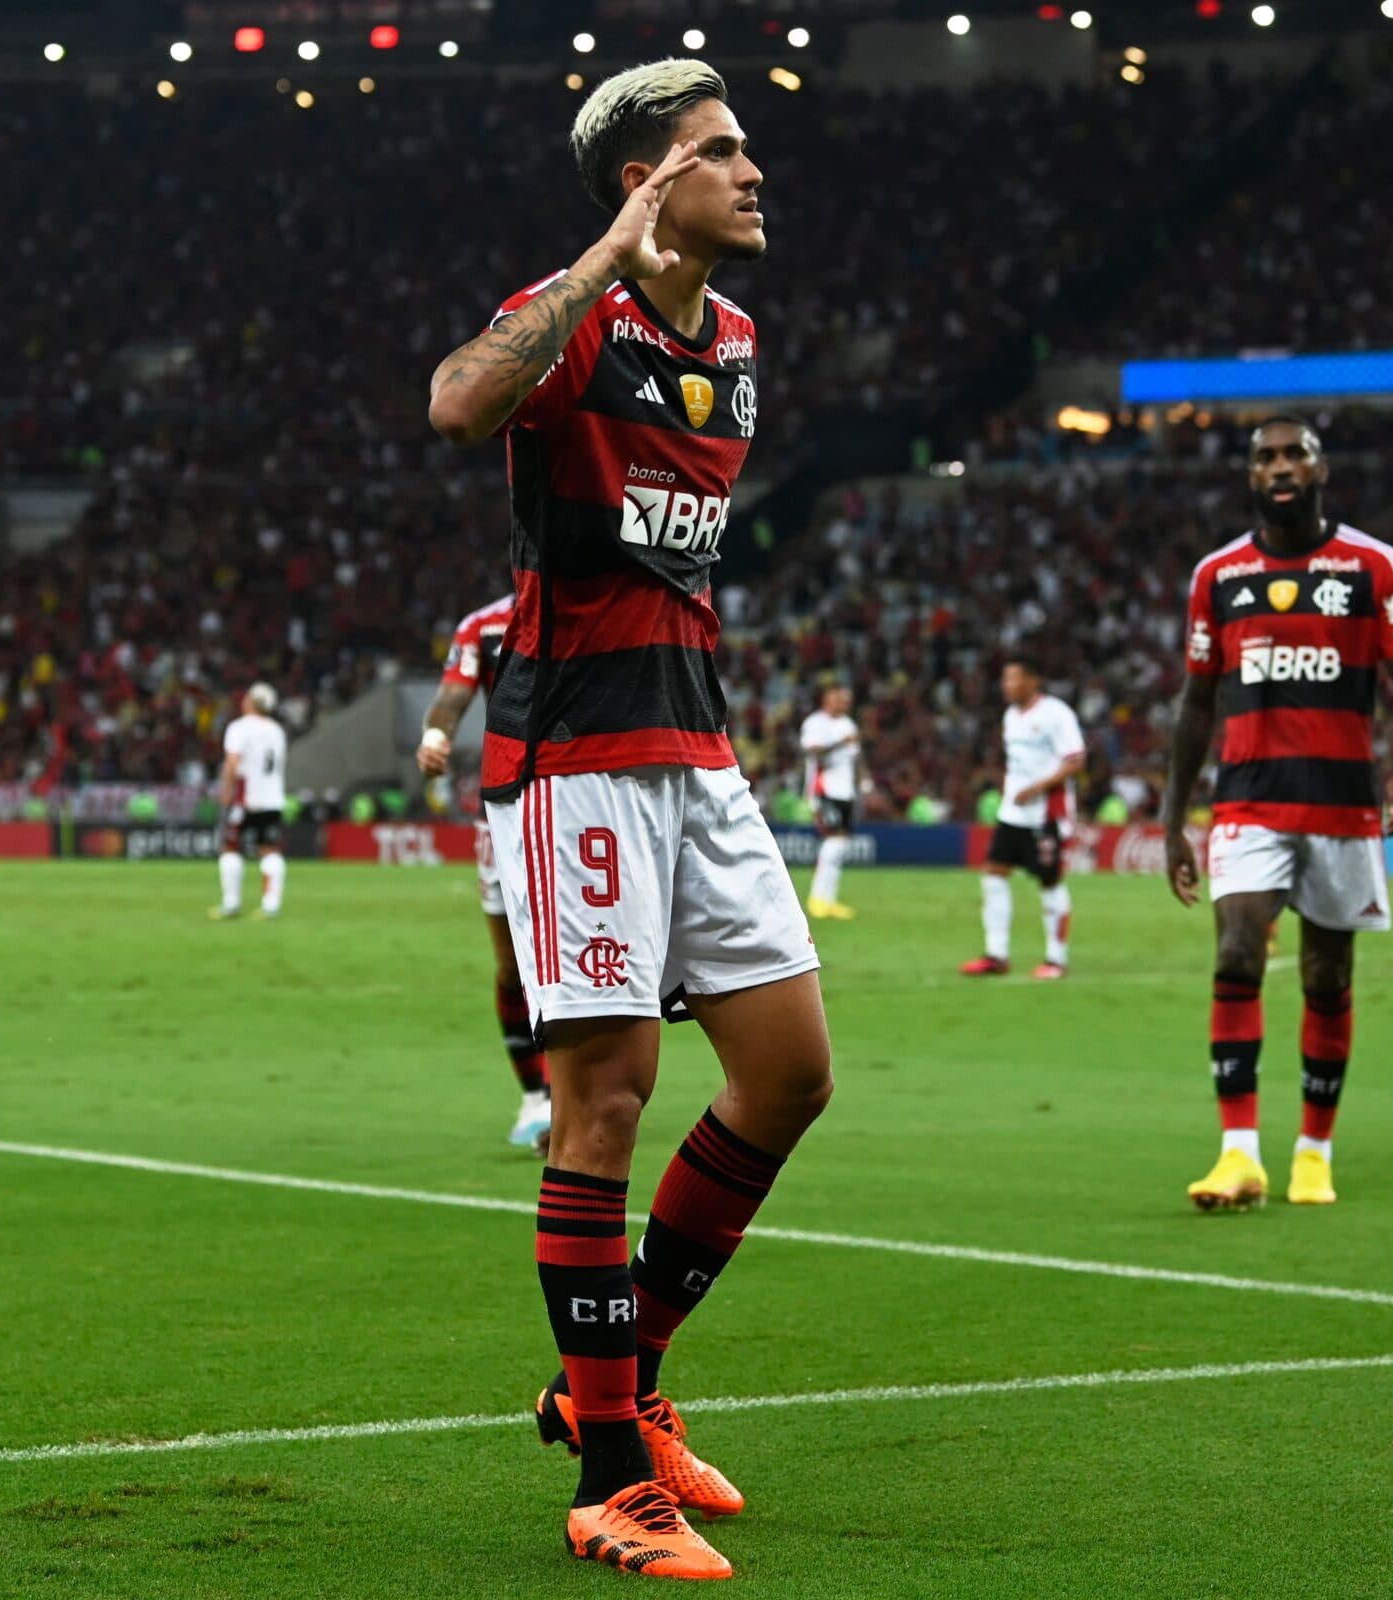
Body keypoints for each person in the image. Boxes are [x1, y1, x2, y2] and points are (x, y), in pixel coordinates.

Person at [426, 58, 830, 1582]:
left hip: (699, 753)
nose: (754, 169)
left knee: (787, 1075)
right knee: (608, 1102)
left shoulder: (732, 337)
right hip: (577, 754)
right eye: (721, 152)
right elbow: (458, 404)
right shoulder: (579, 312)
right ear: (643, 180)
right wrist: (602, 263)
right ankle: (608, 1476)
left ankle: (617, 1377)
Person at [1163, 418, 1393, 1210]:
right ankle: (1238, 1153)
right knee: (1237, 956)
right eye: (1265, 457)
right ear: (1250, 476)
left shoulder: (1372, 567)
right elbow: (1196, 700)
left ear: (1321, 469)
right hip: (1247, 802)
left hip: (1343, 805)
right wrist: (1174, 813)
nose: (1280, 467)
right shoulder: (1217, 575)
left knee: (1326, 976)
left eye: (1294, 454)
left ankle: (1314, 1151)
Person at [421, 595, 552, 1151]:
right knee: (511, 968)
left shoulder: (593, 598)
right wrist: (435, 736)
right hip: (501, 807)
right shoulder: (482, 625)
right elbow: (453, 693)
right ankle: (535, 1097)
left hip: (579, 801)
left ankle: (571, 1096)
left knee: (570, 957)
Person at [958, 658, 1083, 980]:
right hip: (1013, 813)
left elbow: (1075, 760)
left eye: (1012, 678)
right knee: (993, 874)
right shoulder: (1011, 716)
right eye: (1004, 679)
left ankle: (1056, 959)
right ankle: (996, 954)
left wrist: (1036, 788)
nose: (1006, 685)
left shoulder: (1056, 714)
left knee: (1050, 881)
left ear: (1032, 680)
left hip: (1046, 814)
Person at [213, 684, 289, 920]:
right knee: (270, 850)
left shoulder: (239, 728)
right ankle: (271, 905)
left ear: (251, 702)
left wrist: (227, 790)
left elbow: (233, 763)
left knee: (230, 847)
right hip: (273, 798)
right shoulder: (277, 731)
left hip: (246, 798)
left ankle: (231, 903)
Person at [798, 683, 863, 921]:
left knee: (841, 844)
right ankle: (817, 898)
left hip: (846, 792)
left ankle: (830, 900)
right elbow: (812, 753)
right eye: (840, 698)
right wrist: (840, 743)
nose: (845, 703)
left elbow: (855, 759)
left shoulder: (848, 724)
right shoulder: (815, 723)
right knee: (833, 841)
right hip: (824, 789)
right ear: (828, 698)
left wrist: (861, 785)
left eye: (847, 699)